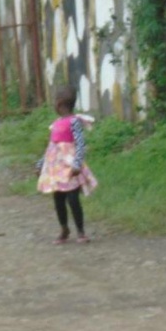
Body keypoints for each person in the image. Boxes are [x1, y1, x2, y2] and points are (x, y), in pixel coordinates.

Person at [36, 85, 98, 244]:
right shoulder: (56, 123)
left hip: (70, 168)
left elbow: (80, 143)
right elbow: (51, 145)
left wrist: (77, 164)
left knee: (73, 199)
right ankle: (64, 228)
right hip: (55, 168)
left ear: (59, 104)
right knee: (58, 198)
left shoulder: (74, 122)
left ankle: (80, 231)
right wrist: (41, 164)